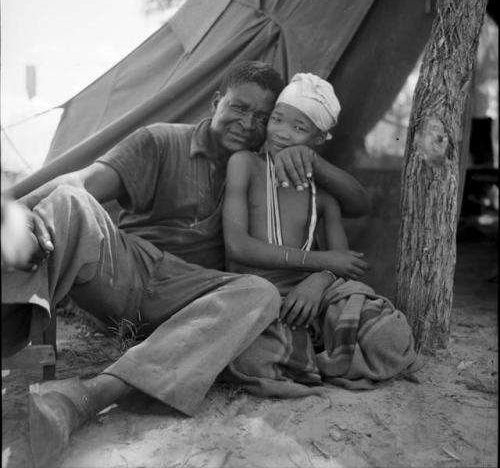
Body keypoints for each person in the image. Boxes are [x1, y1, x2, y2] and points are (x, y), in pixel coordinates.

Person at [1, 62, 370, 467]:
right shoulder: (161, 141)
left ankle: (86, 396)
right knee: (69, 204)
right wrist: (18, 212)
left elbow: (352, 205)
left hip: (194, 296)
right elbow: (83, 182)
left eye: (262, 118)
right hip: (128, 269)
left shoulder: (265, 169)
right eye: (238, 108)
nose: (248, 124)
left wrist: (322, 263)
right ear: (216, 102)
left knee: (258, 292)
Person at [222, 73, 419, 397]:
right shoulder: (244, 164)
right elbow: (237, 246)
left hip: (311, 294)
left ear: (318, 138)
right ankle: (323, 354)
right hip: (258, 294)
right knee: (250, 356)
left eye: (299, 128)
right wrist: (321, 261)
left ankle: (310, 355)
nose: (282, 134)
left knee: (390, 336)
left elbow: (342, 263)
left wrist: (318, 280)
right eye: (277, 120)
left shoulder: (322, 195)